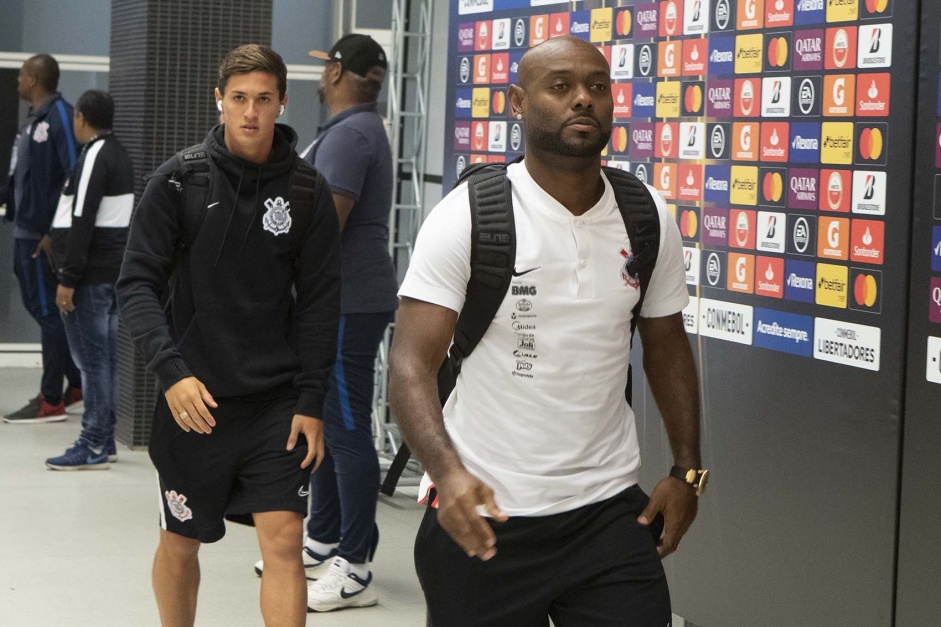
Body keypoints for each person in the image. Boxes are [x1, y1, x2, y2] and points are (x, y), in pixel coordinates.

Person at [388, 36, 707, 626]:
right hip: (488, 517)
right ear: (518, 102)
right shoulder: (467, 216)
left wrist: (687, 471)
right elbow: (410, 365)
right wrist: (446, 472)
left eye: (597, 86)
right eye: (560, 86)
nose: (582, 99)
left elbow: (665, 346)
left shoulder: (646, 216)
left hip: (609, 517)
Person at [115, 45, 341, 627]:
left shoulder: (308, 192)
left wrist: (312, 400)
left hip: (276, 401)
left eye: (264, 99)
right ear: (218, 100)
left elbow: (320, 303)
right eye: (238, 99)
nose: (250, 113)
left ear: (283, 102)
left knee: (286, 542)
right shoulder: (178, 181)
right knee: (181, 542)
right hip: (197, 401)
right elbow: (135, 285)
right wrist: (171, 372)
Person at [254, 33, 398, 613]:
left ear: (337, 72)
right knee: (330, 430)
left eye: (322, 69)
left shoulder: (352, 134)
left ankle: (356, 564)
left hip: (347, 303)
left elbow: (320, 228)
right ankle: (325, 536)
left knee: (343, 429)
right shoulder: (348, 131)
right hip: (339, 301)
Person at [46, 90, 133, 469]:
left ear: (81, 117)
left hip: (89, 278)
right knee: (104, 361)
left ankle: (94, 443)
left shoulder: (96, 155)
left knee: (92, 364)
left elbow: (82, 218)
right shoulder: (119, 154)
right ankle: (105, 439)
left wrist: (68, 278)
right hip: (109, 274)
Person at [2, 54, 82, 424]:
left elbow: (75, 171)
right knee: (41, 308)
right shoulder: (32, 120)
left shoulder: (60, 115)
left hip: (41, 236)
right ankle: (77, 381)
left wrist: (55, 230)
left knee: (50, 313)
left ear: (34, 79)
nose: (17, 80)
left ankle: (51, 399)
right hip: (24, 230)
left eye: (21, 75)